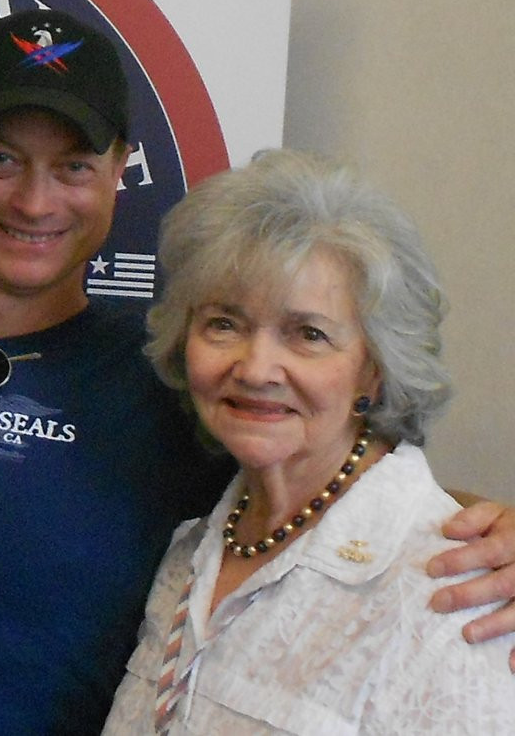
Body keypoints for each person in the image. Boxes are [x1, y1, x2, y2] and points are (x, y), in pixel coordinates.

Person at [0, 10, 515, 734]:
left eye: (73, 166)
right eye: (1, 158)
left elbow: (328, 487)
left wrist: (480, 527)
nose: (34, 201)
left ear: (118, 170)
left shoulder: (175, 381)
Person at [103, 148, 515, 733]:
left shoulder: (454, 593)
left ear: (375, 369)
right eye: (224, 324)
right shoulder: (189, 552)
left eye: (308, 334)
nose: (255, 369)